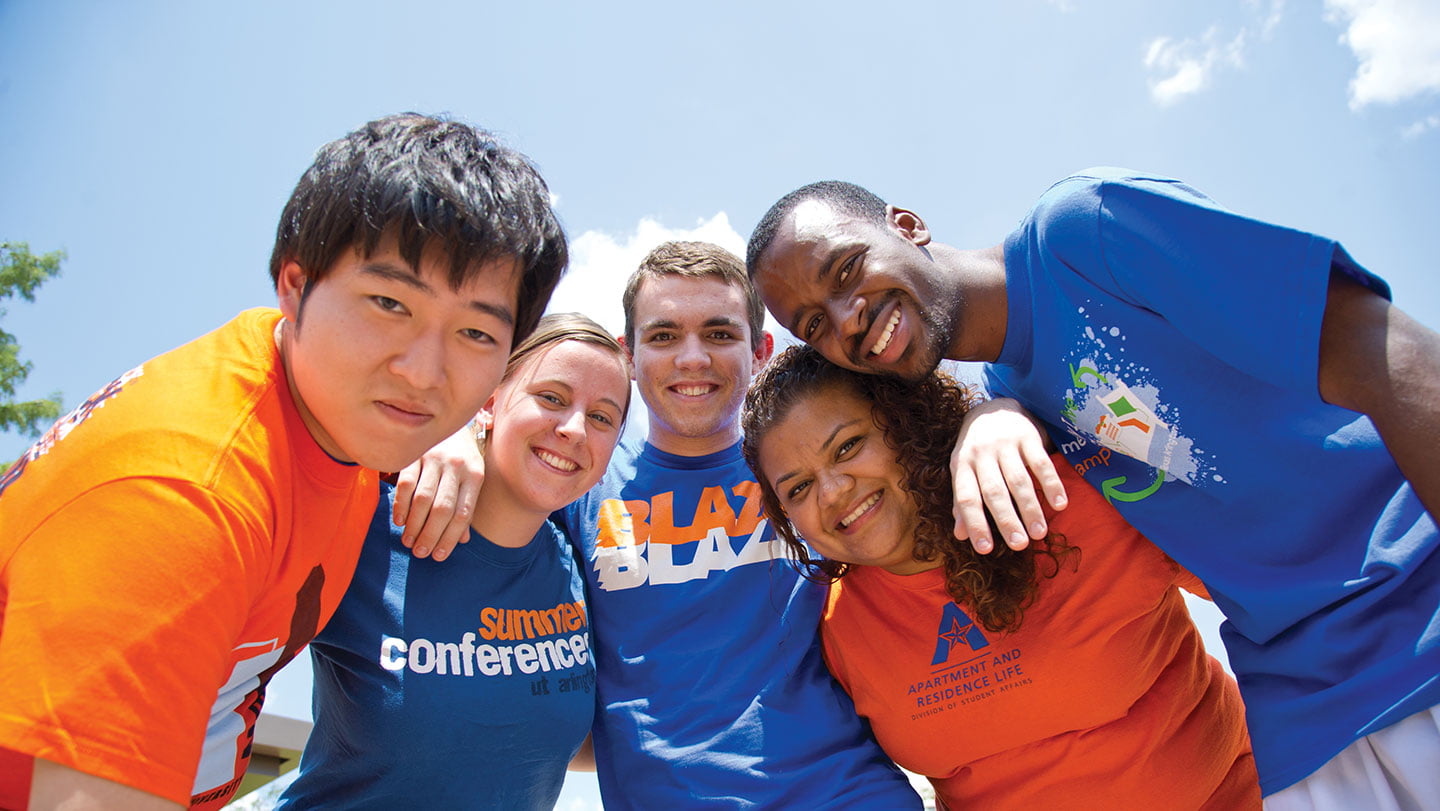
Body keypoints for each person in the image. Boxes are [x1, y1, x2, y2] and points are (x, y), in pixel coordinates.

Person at [745, 170, 1440, 804]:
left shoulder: (1078, 233)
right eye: (812, 324)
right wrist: (996, 413)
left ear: (906, 224)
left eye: (847, 268)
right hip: (1312, 715)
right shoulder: (1021, 406)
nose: (846, 319)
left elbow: (1380, 348)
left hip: (1414, 612)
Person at [0, 113, 566, 810]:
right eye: (389, 303)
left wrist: (464, 437)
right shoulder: (183, 496)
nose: (424, 372)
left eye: (475, 331)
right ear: (295, 286)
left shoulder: (337, 414)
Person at [741, 344, 1259, 809]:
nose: (831, 491)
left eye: (848, 446)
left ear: (903, 421)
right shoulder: (832, 626)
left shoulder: (1069, 495)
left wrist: (1004, 407)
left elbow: (1280, 585)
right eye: (799, 489)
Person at [551, 242, 920, 807]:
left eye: (720, 334)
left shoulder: (810, 475)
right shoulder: (578, 484)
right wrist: (461, 446)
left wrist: (997, 415)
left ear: (761, 351)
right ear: (629, 355)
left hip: (845, 794)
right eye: (664, 335)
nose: (692, 358)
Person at [277, 313, 627, 809]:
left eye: (602, 417)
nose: (573, 428)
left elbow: (570, 739)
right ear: (490, 402)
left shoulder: (579, 569)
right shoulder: (371, 524)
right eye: (551, 398)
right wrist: (442, 430)